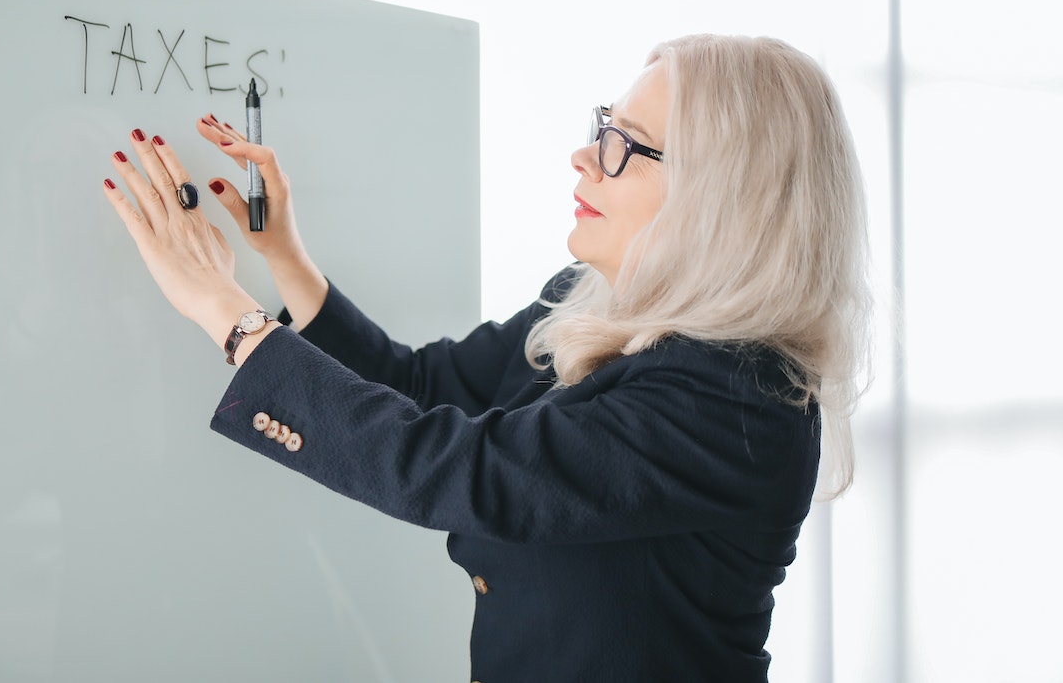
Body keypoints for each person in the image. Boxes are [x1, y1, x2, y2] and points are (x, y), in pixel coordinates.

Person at [100, 33, 871, 681]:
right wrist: (288, 260)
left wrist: (225, 312)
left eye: (623, 145)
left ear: (721, 197)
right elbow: (423, 385)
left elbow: (452, 465)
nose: (584, 155)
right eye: (604, 124)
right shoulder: (589, 298)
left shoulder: (738, 401)